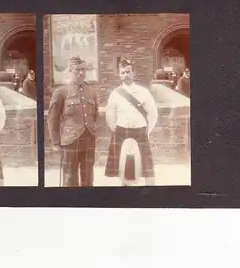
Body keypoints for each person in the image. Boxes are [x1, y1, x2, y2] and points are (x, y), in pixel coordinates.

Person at [104, 58, 158, 186]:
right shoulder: (115, 93)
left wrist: (146, 131)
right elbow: (110, 114)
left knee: (146, 166)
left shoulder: (144, 92)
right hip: (121, 131)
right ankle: (124, 186)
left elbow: (153, 113)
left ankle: (150, 190)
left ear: (134, 73)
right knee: (122, 164)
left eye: (128, 72)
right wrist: (116, 129)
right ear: (119, 75)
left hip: (140, 131)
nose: (126, 75)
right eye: (122, 72)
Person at [47, 56, 99, 187]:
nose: (81, 73)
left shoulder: (92, 91)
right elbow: (53, 118)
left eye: (83, 69)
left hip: (88, 139)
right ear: (70, 71)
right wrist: (55, 142)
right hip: (70, 140)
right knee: (70, 179)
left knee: (88, 179)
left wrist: (92, 132)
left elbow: (95, 115)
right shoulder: (61, 92)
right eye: (77, 70)